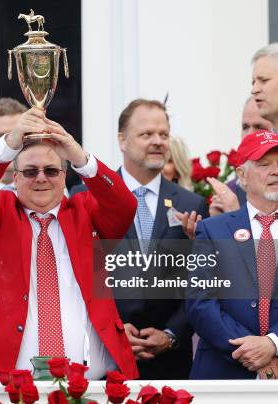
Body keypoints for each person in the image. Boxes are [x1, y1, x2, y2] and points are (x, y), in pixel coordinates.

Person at [0, 107, 139, 380]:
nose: (41, 177)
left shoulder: (85, 213)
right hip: (8, 383)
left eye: (52, 170)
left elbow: (124, 205)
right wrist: (9, 144)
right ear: (15, 178)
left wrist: (79, 156)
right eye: (30, 172)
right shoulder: (0, 213)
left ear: (65, 176)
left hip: (93, 385)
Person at [186, 130, 278, 379]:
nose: (277, 171)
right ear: (242, 177)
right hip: (224, 373)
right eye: (264, 164)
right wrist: (252, 353)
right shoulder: (212, 231)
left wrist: (273, 344)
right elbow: (200, 303)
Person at [76, 99, 208, 379]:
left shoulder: (192, 203)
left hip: (169, 364)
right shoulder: (87, 198)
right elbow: (80, 274)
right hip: (104, 357)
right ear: (122, 140)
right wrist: (112, 327)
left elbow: (200, 282)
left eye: (163, 134)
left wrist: (172, 334)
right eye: (146, 134)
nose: (158, 141)